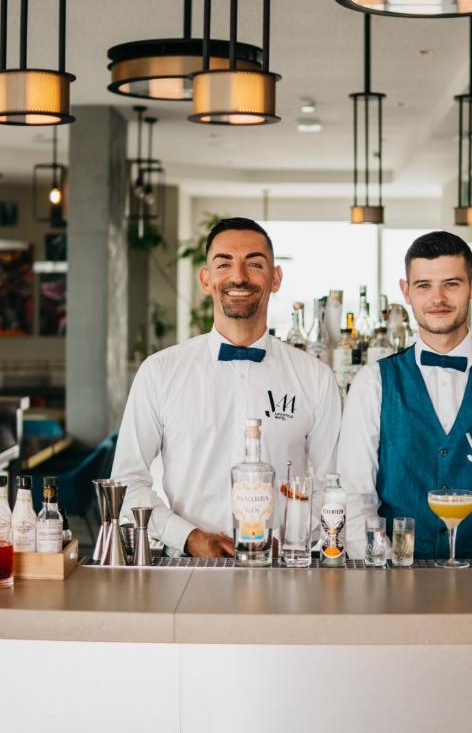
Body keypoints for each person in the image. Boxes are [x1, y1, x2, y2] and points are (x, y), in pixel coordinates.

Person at [112, 217, 341, 557]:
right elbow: (127, 481)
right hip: (185, 569)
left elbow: (333, 484)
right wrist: (187, 537)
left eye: (254, 263)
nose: (239, 276)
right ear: (206, 279)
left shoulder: (316, 378)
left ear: (275, 278)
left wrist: (296, 538)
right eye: (224, 264)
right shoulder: (159, 372)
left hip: (283, 569)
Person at [338, 231, 472, 560]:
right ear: (406, 292)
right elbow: (355, 499)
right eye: (424, 285)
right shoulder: (372, 383)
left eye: (451, 284)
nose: (437, 298)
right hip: (396, 581)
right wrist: (384, 569)